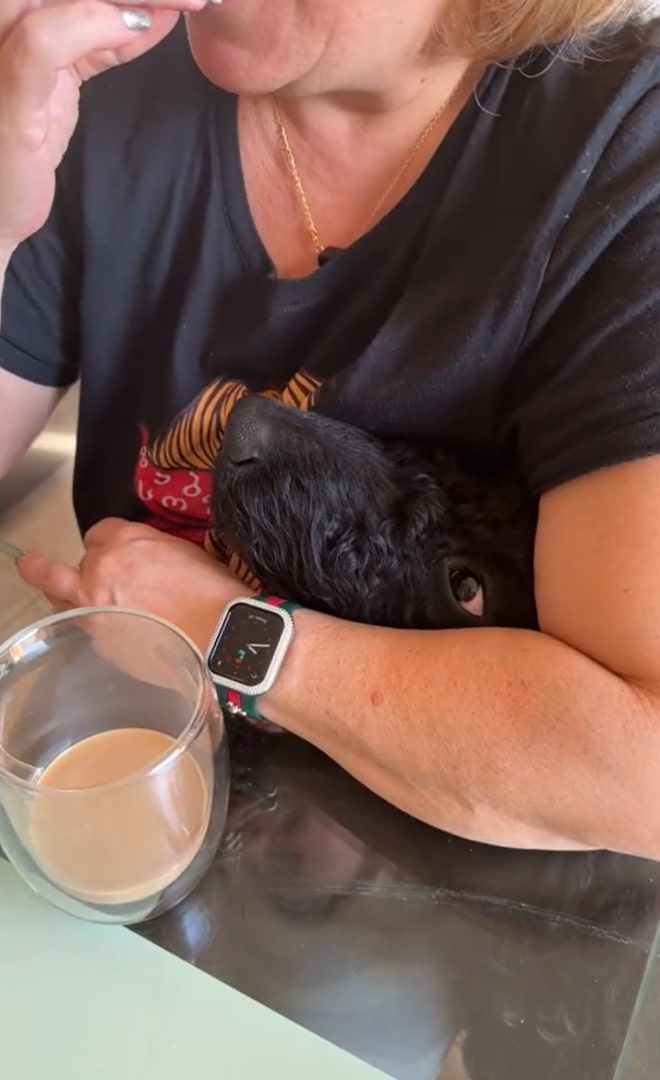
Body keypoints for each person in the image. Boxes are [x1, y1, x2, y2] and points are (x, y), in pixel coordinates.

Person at [2, 0, 660, 860]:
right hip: (149, 789)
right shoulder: (94, 81)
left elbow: (636, 770)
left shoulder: (620, 148)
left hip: (454, 889)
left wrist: (228, 628)